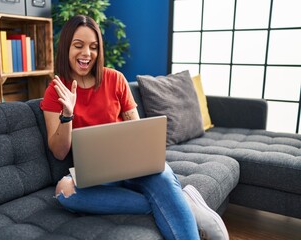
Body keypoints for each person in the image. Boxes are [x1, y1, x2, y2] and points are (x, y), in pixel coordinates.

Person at [40, 15, 229, 240]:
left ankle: (172, 198)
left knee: (163, 178)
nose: (87, 54)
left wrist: (141, 155)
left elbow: (139, 133)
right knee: (64, 192)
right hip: (96, 177)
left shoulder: (115, 79)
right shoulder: (55, 91)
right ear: (66, 48)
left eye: (93, 47)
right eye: (78, 46)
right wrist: (68, 114)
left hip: (134, 167)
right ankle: (180, 200)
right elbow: (60, 152)